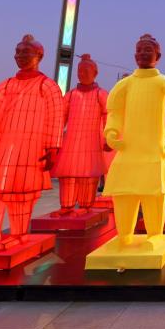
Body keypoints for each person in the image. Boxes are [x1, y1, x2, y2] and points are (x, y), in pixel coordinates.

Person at [0, 34, 63, 251]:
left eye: (25, 52)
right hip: (2, 145)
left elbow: (56, 116)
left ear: (39, 55)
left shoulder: (47, 86)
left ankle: (19, 234)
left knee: (21, 193)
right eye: (18, 52)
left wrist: (53, 146)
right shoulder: (5, 85)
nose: (20, 56)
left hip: (30, 146)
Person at [103, 34, 165, 251]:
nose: (142, 54)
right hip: (128, 150)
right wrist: (111, 131)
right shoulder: (125, 84)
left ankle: (155, 235)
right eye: (139, 51)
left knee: (154, 193)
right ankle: (125, 234)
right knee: (124, 193)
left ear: (157, 56)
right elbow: (115, 111)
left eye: (147, 50)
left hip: (154, 149)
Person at [49, 54, 109, 216]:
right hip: (71, 141)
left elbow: (108, 116)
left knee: (88, 175)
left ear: (95, 73)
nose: (82, 73)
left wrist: (108, 137)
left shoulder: (101, 94)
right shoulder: (71, 94)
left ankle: (85, 205)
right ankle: (66, 206)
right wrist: (54, 138)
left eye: (87, 70)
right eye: (80, 70)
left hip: (92, 141)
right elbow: (60, 117)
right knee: (67, 175)